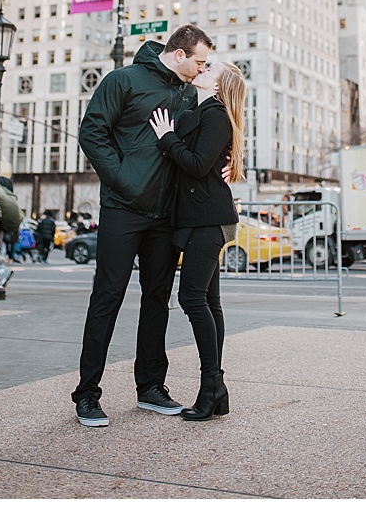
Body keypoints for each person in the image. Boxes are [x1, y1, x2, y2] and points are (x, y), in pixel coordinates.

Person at [71, 24, 212, 428]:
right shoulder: (123, 81)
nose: (203, 69)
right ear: (180, 54)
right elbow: (92, 132)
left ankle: (151, 387)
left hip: (166, 216)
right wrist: (125, 181)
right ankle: (87, 394)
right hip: (122, 208)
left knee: (157, 301)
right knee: (107, 297)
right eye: (199, 61)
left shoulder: (190, 92)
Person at [149, 60, 246, 421]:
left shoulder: (216, 114)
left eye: (210, 70)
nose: (202, 70)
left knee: (192, 298)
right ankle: (215, 391)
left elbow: (196, 163)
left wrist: (166, 137)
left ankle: (212, 385)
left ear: (219, 86)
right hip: (199, 218)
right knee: (209, 300)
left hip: (209, 220)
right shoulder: (198, 109)